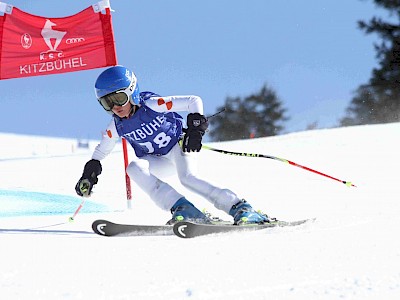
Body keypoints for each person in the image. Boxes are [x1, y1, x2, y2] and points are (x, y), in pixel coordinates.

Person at [75, 65, 270, 225]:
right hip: (159, 161)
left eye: (119, 98)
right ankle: (183, 208)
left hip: (179, 146)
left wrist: (195, 129)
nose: (115, 107)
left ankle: (241, 208)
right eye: (107, 103)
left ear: (132, 92)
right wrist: (90, 173)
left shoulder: (152, 104)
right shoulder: (117, 126)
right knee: (133, 168)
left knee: (188, 178)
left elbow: (193, 101)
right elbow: (101, 151)